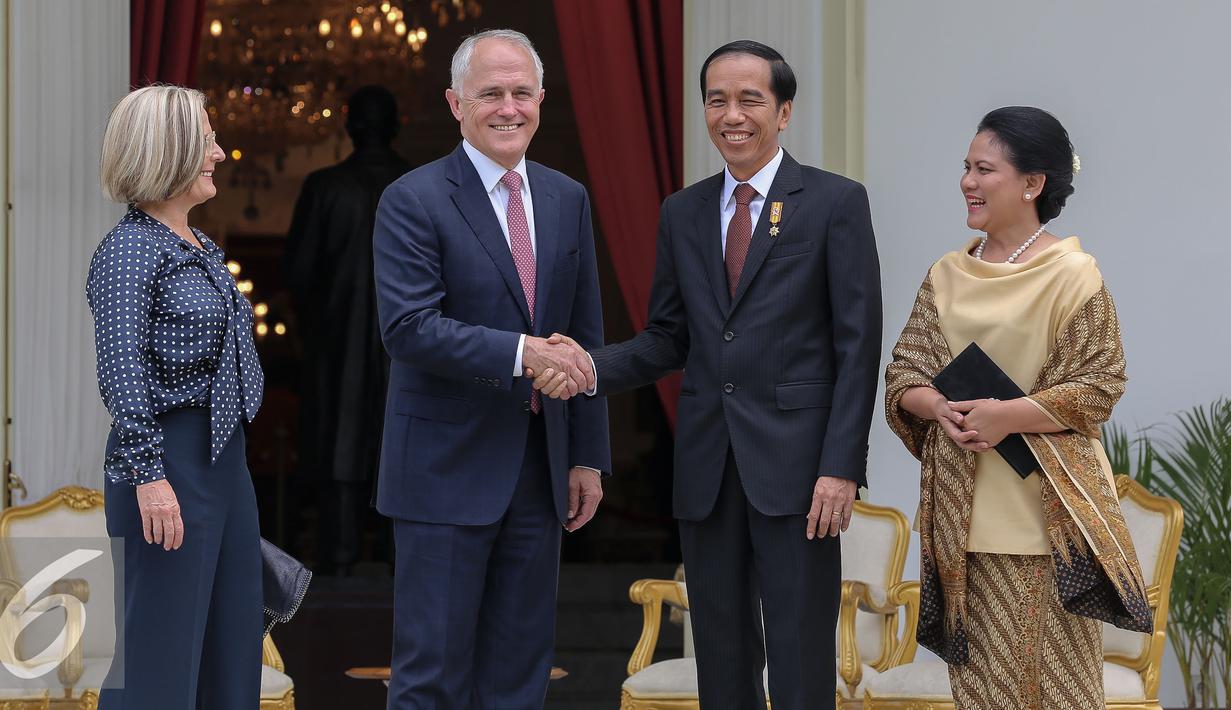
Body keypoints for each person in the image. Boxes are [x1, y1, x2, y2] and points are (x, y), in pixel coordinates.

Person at [534, 40, 883, 709]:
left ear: (783, 111)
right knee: (719, 655)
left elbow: (857, 345)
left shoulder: (834, 202)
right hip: (707, 465)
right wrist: (587, 366)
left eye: (750, 99)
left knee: (799, 651)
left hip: (799, 471)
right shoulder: (682, 211)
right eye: (717, 100)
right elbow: (668, 338)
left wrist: (840, 466)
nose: (732, 115)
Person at [371, 29, 611, 708]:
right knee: (431, 678)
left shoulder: (567, 198)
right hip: (442, 475)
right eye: (490, 94)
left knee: (519, 680)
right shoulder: (412, 198)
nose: (509, 108)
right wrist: (521, 353)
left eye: (521, 93)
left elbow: (584, 337)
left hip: (540, 472)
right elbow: (408, 328)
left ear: (541, 99)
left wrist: (587, 456)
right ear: (455, 103)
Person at [884, 106, 1152, 709]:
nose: (968, 182)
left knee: (1057, 693)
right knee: (980, 695)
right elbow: (904, 374)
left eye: (985, 169)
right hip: (960, 525)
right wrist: (936, 407)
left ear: (1033, 183)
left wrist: (1006, 416)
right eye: (966, 168)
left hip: (1049, 523)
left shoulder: (1073, 274)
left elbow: (1100, 384)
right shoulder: (946, 275)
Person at [89, 85, 264, 709]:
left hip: (223, 460)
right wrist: (149, 476)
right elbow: (122, 370)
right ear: (170, 153)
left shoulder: (200, 246)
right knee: (159, 663)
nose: (219, 153)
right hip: (165, 464)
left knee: (232, 652)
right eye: (207, 141)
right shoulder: (127, 251)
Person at [284, 85, 410, 575]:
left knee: (340, 444)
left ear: (349, 127)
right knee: (401, 447)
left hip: (336, 346)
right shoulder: (420, 184)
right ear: (395, 126)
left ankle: (339, 563)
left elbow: (298, 272)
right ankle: (400, 564)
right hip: (408, 349)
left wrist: (316, 324)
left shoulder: (325, 187)